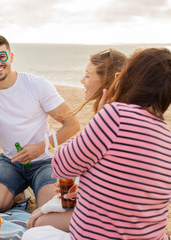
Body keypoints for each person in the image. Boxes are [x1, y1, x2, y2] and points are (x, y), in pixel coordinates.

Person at [23, 48, 171, 239]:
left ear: (130, 79)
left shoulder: (115, 115)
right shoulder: (169, 138)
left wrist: (101, 116)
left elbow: (61, 166)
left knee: (33, 233)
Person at [0, 35, 80, 212]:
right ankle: (19, 193)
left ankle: (26, 190)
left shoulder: (37, 85)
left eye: (1, 56)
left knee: (50, 208)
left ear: (10, 56)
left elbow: (72, 124)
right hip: (10, 161)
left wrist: (41, 147)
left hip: (44, 160)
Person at [27, 48, 127, 231]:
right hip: (124, 208)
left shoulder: (111, 118)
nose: (82, 81)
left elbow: (62, 165)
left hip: (111, 216)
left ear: (107, 80)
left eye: (88, 76)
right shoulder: (132, 114)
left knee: (37, 224)